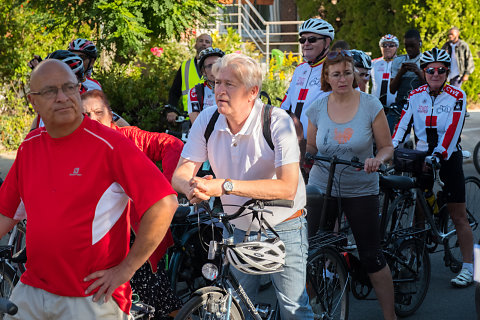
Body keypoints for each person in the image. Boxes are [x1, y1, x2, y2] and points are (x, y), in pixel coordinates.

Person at [0, 59, 178, 319]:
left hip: (92, 298)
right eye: (50, 91)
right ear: (33, 102)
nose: (62, 97)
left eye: (69, 88)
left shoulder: (110, 144)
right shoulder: (30, 146)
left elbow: (165, 203)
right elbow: (6, 214)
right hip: (32, 289)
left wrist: (126, 270)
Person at [172, 53, 314, 319]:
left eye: (230, 84)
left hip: (284, 223)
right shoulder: (207, 119)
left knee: (293, 308)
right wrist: (193, 186)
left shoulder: (277, 121)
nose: (220, 91)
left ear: (252, 92)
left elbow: (287, 187)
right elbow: (180, 173)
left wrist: (224, 186)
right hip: (238, 225)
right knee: (236, 305)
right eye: (217, 83)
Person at [305, 50, 396, 320]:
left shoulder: (370, 104)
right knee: (310, 253)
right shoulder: (318, 106)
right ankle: (316, 310)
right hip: (322, 187)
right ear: (327, 77)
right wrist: (307, 158)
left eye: (347, 72)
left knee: (371, 255)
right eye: (336, 74)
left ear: (354, 74)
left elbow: (387, 147)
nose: (342, 78)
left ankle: (389, 316)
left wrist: (376, 160)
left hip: (360, 188)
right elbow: (311, 145)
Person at [82, 89, 183, 318]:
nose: (93, 119)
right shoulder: (77, 147)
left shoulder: (128, 137)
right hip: (96, 242)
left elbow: (172, 144)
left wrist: (165, 185)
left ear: (110, 115)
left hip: (135, 239)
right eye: (85, 115)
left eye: (98, 113)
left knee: (156, 302)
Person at [392, 47, 474, 288]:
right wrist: (389, 148)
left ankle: (469, 267)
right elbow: (402, 125)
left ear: (447, 72)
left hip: (448, 156)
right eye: (430, 70)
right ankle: (416, 258)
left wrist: (440, 154)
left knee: (458, 216)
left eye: (440, 70)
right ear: (424, 72)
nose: (435, 74)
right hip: (421, 157)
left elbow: (452, 130)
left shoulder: (457, 95)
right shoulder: (415, 94)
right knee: (419, 211)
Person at [281, 17, 335, 140]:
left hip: (322, 147)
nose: (306, 44)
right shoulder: (300, 69)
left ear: (327, 42)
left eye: (312, 39)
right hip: (294, 143)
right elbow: (285, 105)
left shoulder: (336, 69)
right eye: (302, 40)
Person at [166, 34, 212, 123]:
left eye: (207, 42)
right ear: (195, 44)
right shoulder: (185, 66)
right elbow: (174, 92)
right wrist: (171, 110)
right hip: (189, 119)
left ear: (211, 46)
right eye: (201, 41)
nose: (204, 44)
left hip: (211, 118)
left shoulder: (217, 67)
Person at [389, 29, 425, 132]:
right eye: (406, 46)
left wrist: (418, 72)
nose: (409, 49)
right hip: (402, 105)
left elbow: (429, 88)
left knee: (422, 140)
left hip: (422, 106)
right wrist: (401, 72)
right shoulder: (398, 61)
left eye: (412, 46)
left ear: (420, 43)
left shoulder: (425, 60)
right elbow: (392, 89)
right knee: (393, 135)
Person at [187, 47, 225, 124]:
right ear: (203, 71)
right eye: (210, 66)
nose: (215, 68)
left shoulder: (234, 89)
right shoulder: (195, 92)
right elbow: (196, 124)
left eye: (218, 64)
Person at [371, 34, 399, 107]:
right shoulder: (373, 63)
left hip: (395, 107)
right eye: (384, 45)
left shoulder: (401, 63)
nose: (387, 47)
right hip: (375, 107)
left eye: (391, 45)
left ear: (397, 47)